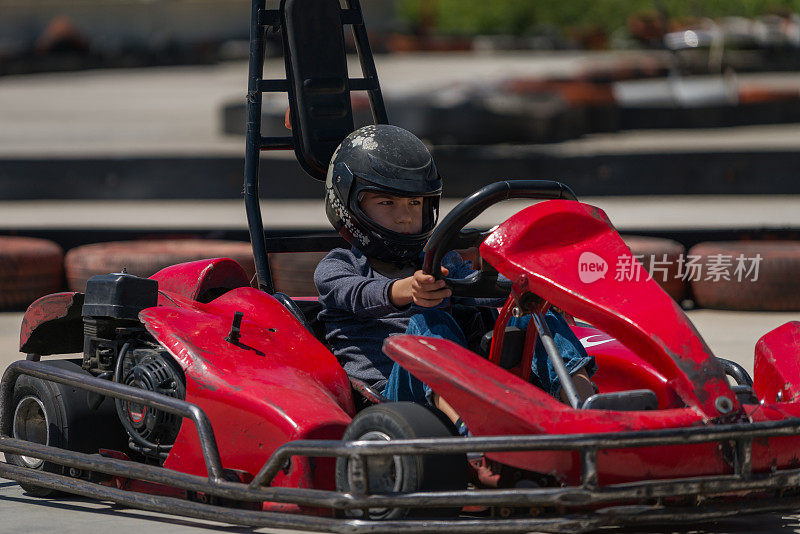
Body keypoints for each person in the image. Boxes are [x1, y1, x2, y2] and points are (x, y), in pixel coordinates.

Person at [314, 125, 596, 422]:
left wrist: (532, 286)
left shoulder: (439, 259)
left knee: (534, 315)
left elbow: (484, 290)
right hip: (392, 399)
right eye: (387, 203)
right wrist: (410, 289)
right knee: (429, 320)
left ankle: (586, 408)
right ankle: (470, 428)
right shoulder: (338, 267)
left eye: (415, 203)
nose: (405, 216)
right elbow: (361, 295)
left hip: (468, 380)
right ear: (348, 206)